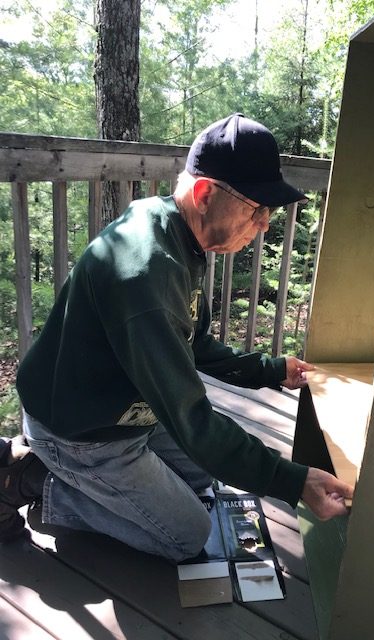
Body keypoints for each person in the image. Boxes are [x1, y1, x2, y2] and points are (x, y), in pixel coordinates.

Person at [1, 113, 353, 559]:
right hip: (81, 431)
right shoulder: (145, 274)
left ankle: (59, 472)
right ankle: (27, 480)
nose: (264, 224)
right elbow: (191, 417)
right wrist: (293, 480)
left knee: (204, 477)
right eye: (256, 209)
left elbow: (194, 342)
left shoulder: (178, 234)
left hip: (131, 415)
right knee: (186, 535)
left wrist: (269, 370)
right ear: (206, 194)